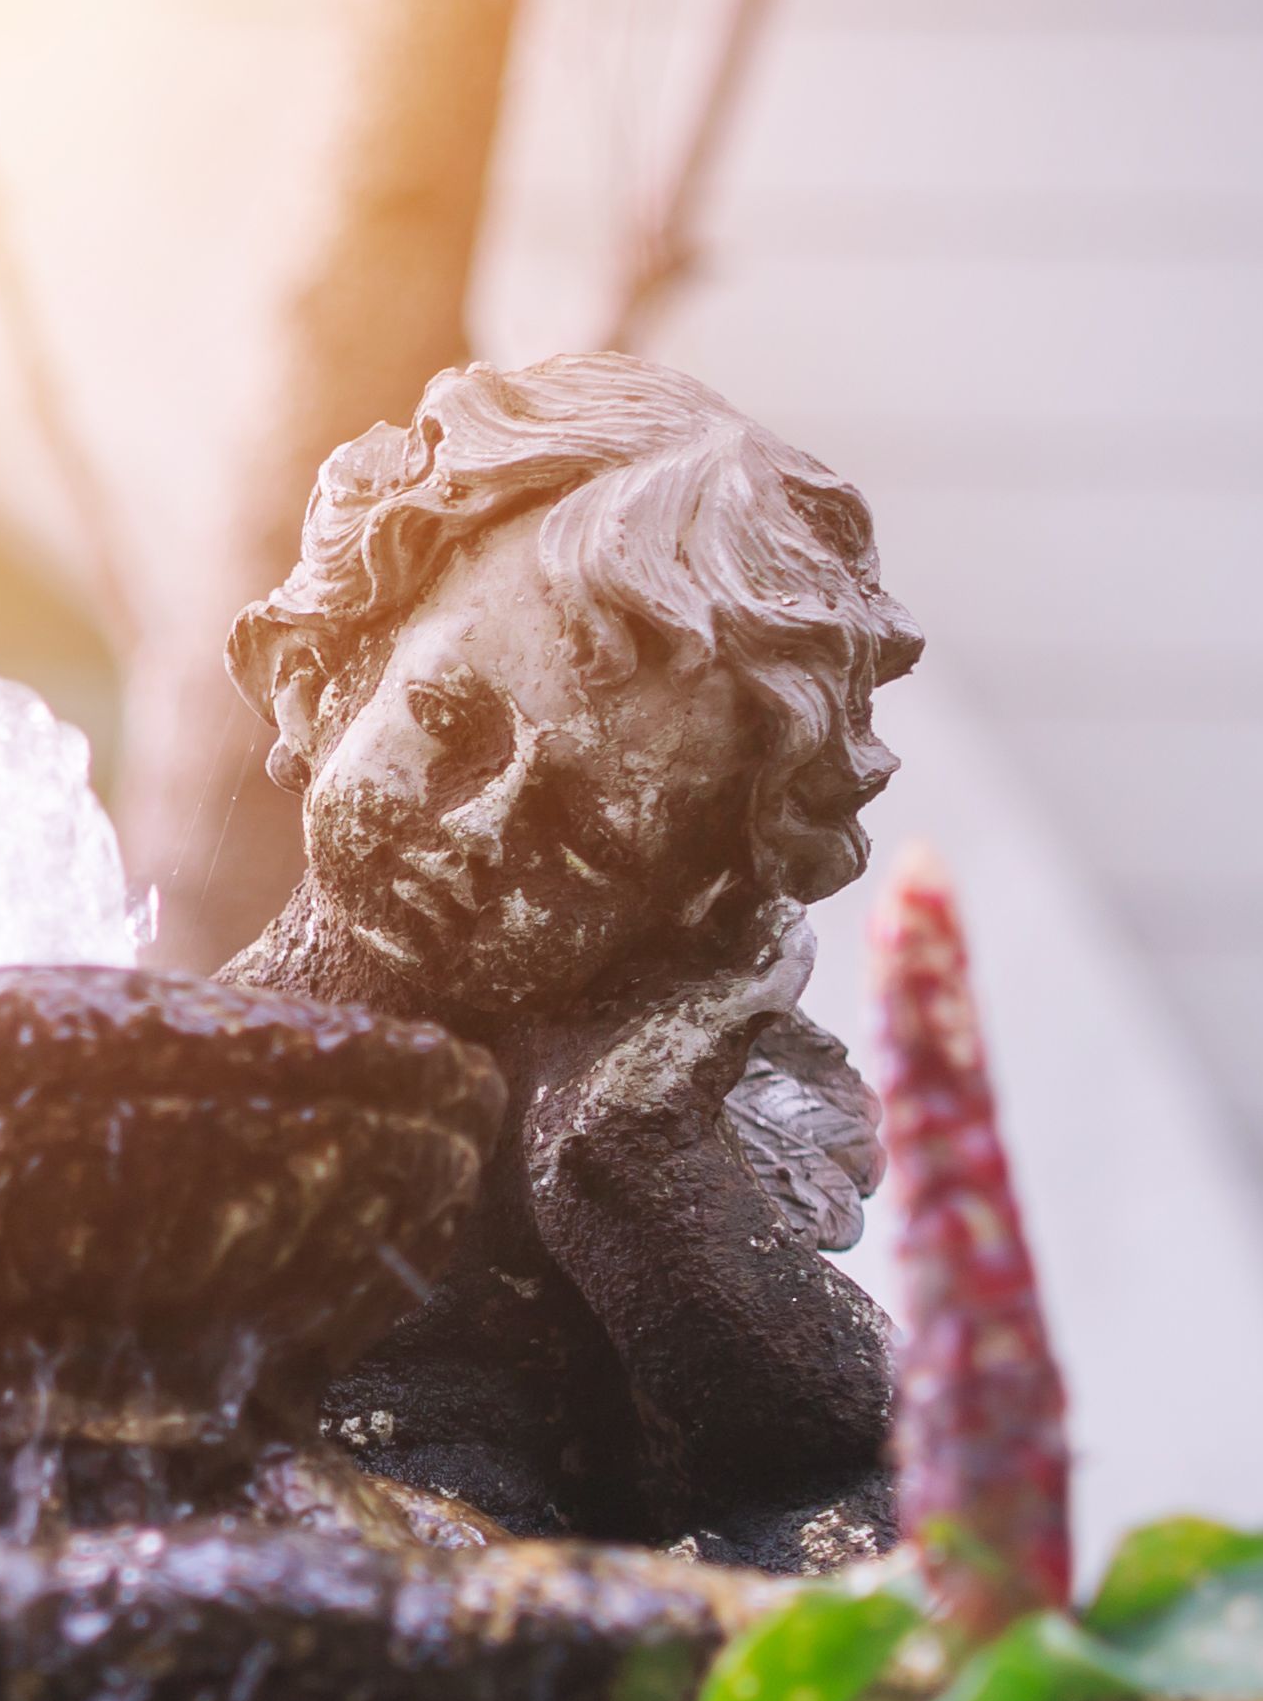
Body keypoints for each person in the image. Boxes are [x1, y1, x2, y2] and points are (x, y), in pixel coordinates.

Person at [219, 353, 920, 1565]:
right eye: (447, 722)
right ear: (326, 668)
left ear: (688, 905)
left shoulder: (624, 1154)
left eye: (591, 839)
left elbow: (882, 1485)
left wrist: (626, 1162)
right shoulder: (134, 1091)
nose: (478, 836)